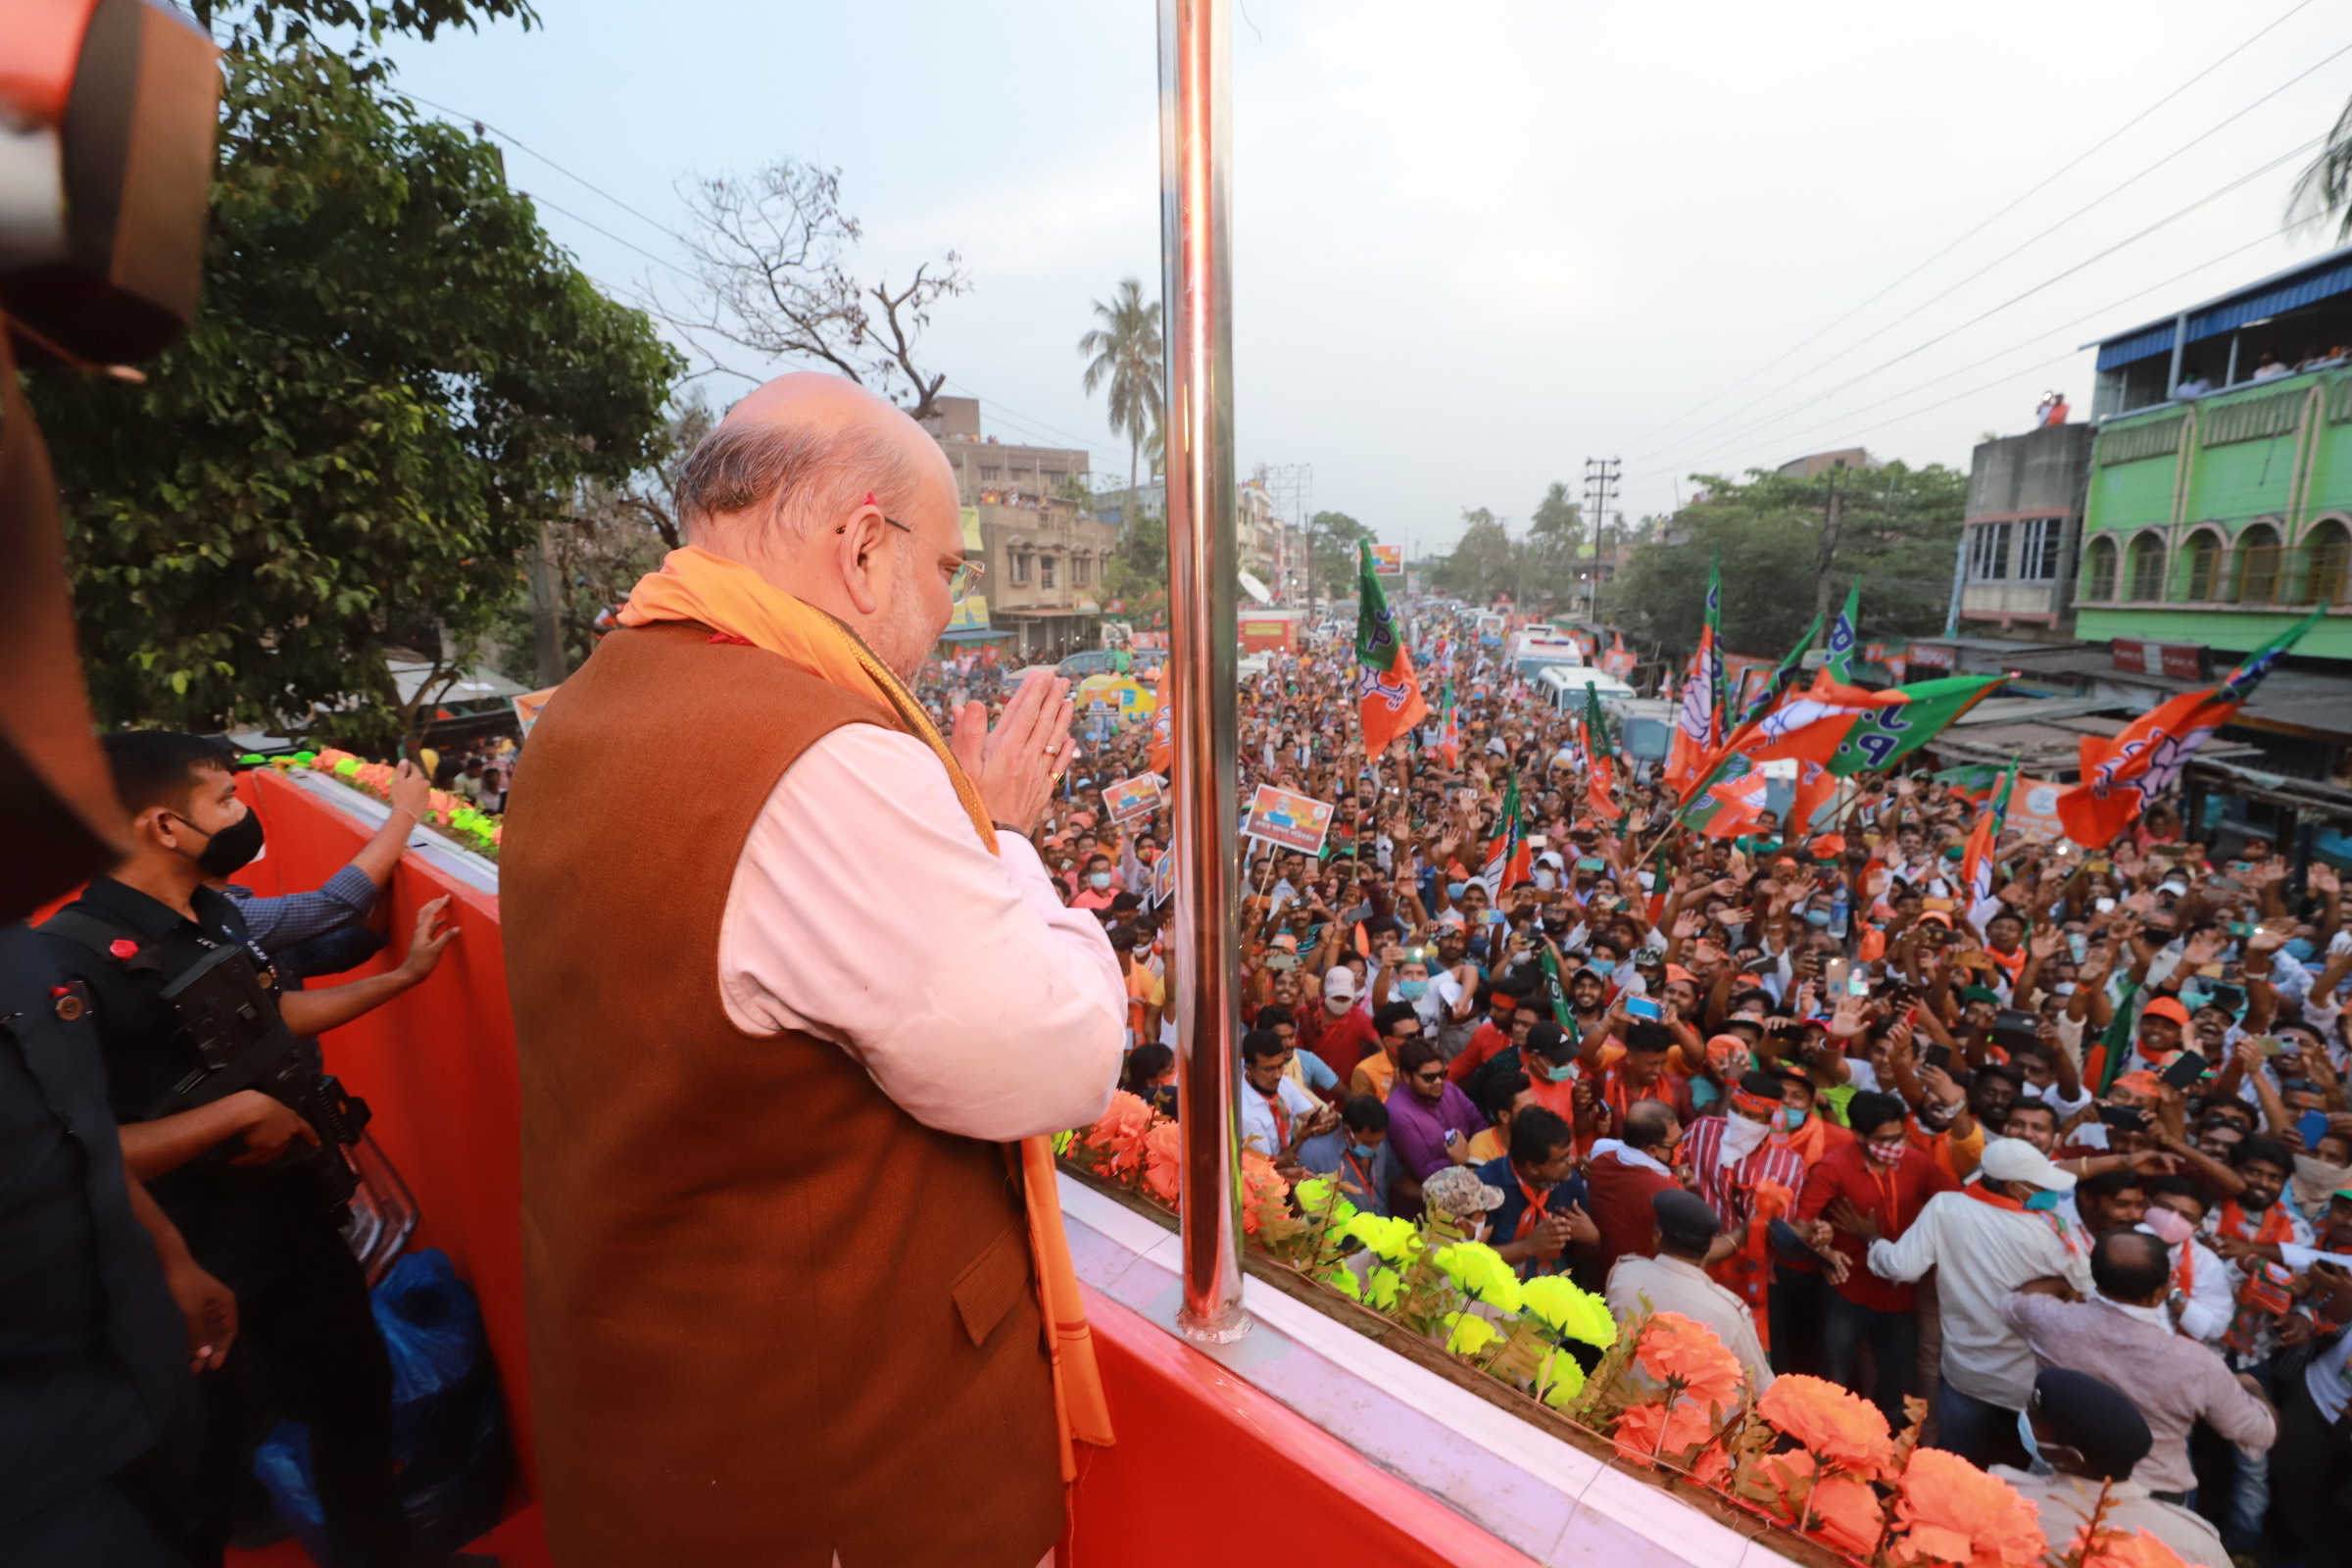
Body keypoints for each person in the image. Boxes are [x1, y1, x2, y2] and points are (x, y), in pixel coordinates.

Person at [501, 372, 1126, 1567]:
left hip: (658, 1417)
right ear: (861, 549)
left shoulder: (584, 708)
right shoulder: (822, 756)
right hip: (841, 1474)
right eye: (947, 568)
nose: (953, 605)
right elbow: (1062, 1053)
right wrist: (1006, 847)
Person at [39, 732, 470, 1568]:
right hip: (191, 1260)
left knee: (355, 1396)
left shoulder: (214, 911)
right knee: (209, 1470)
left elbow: (269, 1021)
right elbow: (67, 1151)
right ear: (166, 825)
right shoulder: (68, 968)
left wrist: (402, 977)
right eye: (226, 802)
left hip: (294, 1214)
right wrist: (228, 1114)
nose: (242, 815)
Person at [1861, 1137, 2092, 1469]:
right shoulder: (2050, 1235)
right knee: (2010, 1482)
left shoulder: (1945, 1207)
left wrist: (1874, 1241)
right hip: (2026, 1385)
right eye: (2041, 1186)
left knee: (1955, 1472)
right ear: (2015, 1187)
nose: (2050, 1195)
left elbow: (1901, 1267)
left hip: (1966, 1373)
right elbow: (2089, 1292)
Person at [2001, 1230, 2275, 1504]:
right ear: (2161, 1294)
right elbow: (2259, 1432)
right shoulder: (2197, 1363)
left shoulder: (2049, 1320)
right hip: (2151, 1495)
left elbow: (2011, 1302)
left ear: (2095, 1279)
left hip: (2060, 1477)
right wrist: (2257, 1392)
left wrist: (2063, 1282)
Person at [1796, 1090, 1956, 1426]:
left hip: (1901, 1296)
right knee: (1833, 1384)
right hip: (1847, 1289)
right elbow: (1801, 1225)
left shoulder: (1916, 1162)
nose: (1896, 1144)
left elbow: (1958, 1204)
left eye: (1900, 1136)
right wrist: (1823, 1248)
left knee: (1897, 1389)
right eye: (1886, 1139)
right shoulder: (1832, 1168)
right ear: (1859, 1135)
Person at [1989, 1367, 2229, 1568]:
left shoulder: (2006, 1506)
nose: (2025, 1421)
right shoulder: (2196, 1542)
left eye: (2034, 1420)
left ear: (2072, 1458)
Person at [1606, 1190, 1775, 1395]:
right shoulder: (1730, 1311)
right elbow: (1762, 1389)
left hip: (1625, 1418)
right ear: (1710, 1246)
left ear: (1658, 1236)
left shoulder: (1623, 1275)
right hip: (1700, 1425)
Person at [1475, 1107, 1594, 1279]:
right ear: (1532, 1167)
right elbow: (1471, 1258)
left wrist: (1592, 1238)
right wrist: (1526, 1247)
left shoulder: (1570, 1181)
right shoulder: (1485, 1185)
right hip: (1497, 1297)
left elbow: (1583, 1258)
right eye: (1563, 1158)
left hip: (1557, 1294)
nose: (1573, 1161)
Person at [1383, 1035, 1487, 1218]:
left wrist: (1467, 1156)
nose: (1439, 1082)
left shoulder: (1449, 1089)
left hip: (1468, 1194)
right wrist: (1456, 1160)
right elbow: (1424, 1170)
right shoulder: (1398, 1114)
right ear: (1406, 1076)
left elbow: (1479, 1122)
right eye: (1429, 1077)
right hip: (1427, 1211)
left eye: (1442, 1074)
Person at [1586, 1100, 1685, 1271]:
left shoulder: (1600, 1154)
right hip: (1639, 1284)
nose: (1680, 1148)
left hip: (1601, 1271)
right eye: (1676, 1143)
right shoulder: (1664, 1190)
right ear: (1653, 1150)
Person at [1238, 1028, 1336, 1166]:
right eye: (1269, 1069)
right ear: (1249, 1069)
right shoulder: (1246, 1114)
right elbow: (1266, 1167)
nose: (1278, 1075)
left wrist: (1328, 1119)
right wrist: (1301, 1139)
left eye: (1280, 1066)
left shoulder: (1284, 1083)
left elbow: (1314, 1117)